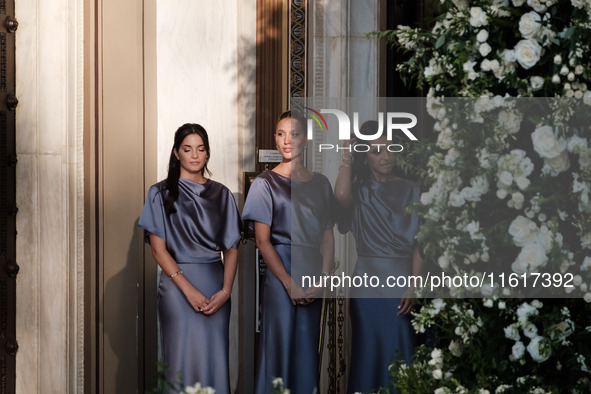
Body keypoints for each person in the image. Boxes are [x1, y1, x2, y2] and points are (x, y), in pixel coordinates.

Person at [138, 123, 241, 394]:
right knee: (180, 359)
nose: (194, 155)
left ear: (207, 154)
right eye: (187, 149)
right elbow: (158, 250)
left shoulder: (222, 194)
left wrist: (226, 291)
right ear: (176, 153)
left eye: (201, 149)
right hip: (177, 288)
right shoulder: (158, 193)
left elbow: (231, 248)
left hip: (216, 285)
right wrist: (189, 291)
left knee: (215, 359)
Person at [242, 110, 335, 394]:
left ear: (306, 140)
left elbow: (328, 236)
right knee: (278, 347)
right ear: (275, 139)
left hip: (313, 277)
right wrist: (288, 282)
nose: (287, 141)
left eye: (294, 134)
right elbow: (262, 241)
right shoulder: (264, 183)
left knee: (307, 349)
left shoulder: (321, 183)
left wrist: (322, 280)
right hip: (280, 276)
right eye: (281, 134)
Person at [333, 121, 424, 394]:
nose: (385, 156)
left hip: (402, 281)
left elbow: (421, 243)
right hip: (366, 285)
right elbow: (340, 194)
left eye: (389, 149)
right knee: (368, 352)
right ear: (365, 156)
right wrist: (347, 154)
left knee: (402, 349)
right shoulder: (359, 191)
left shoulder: (413, 189)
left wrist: (415, 284)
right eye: (376, 151)